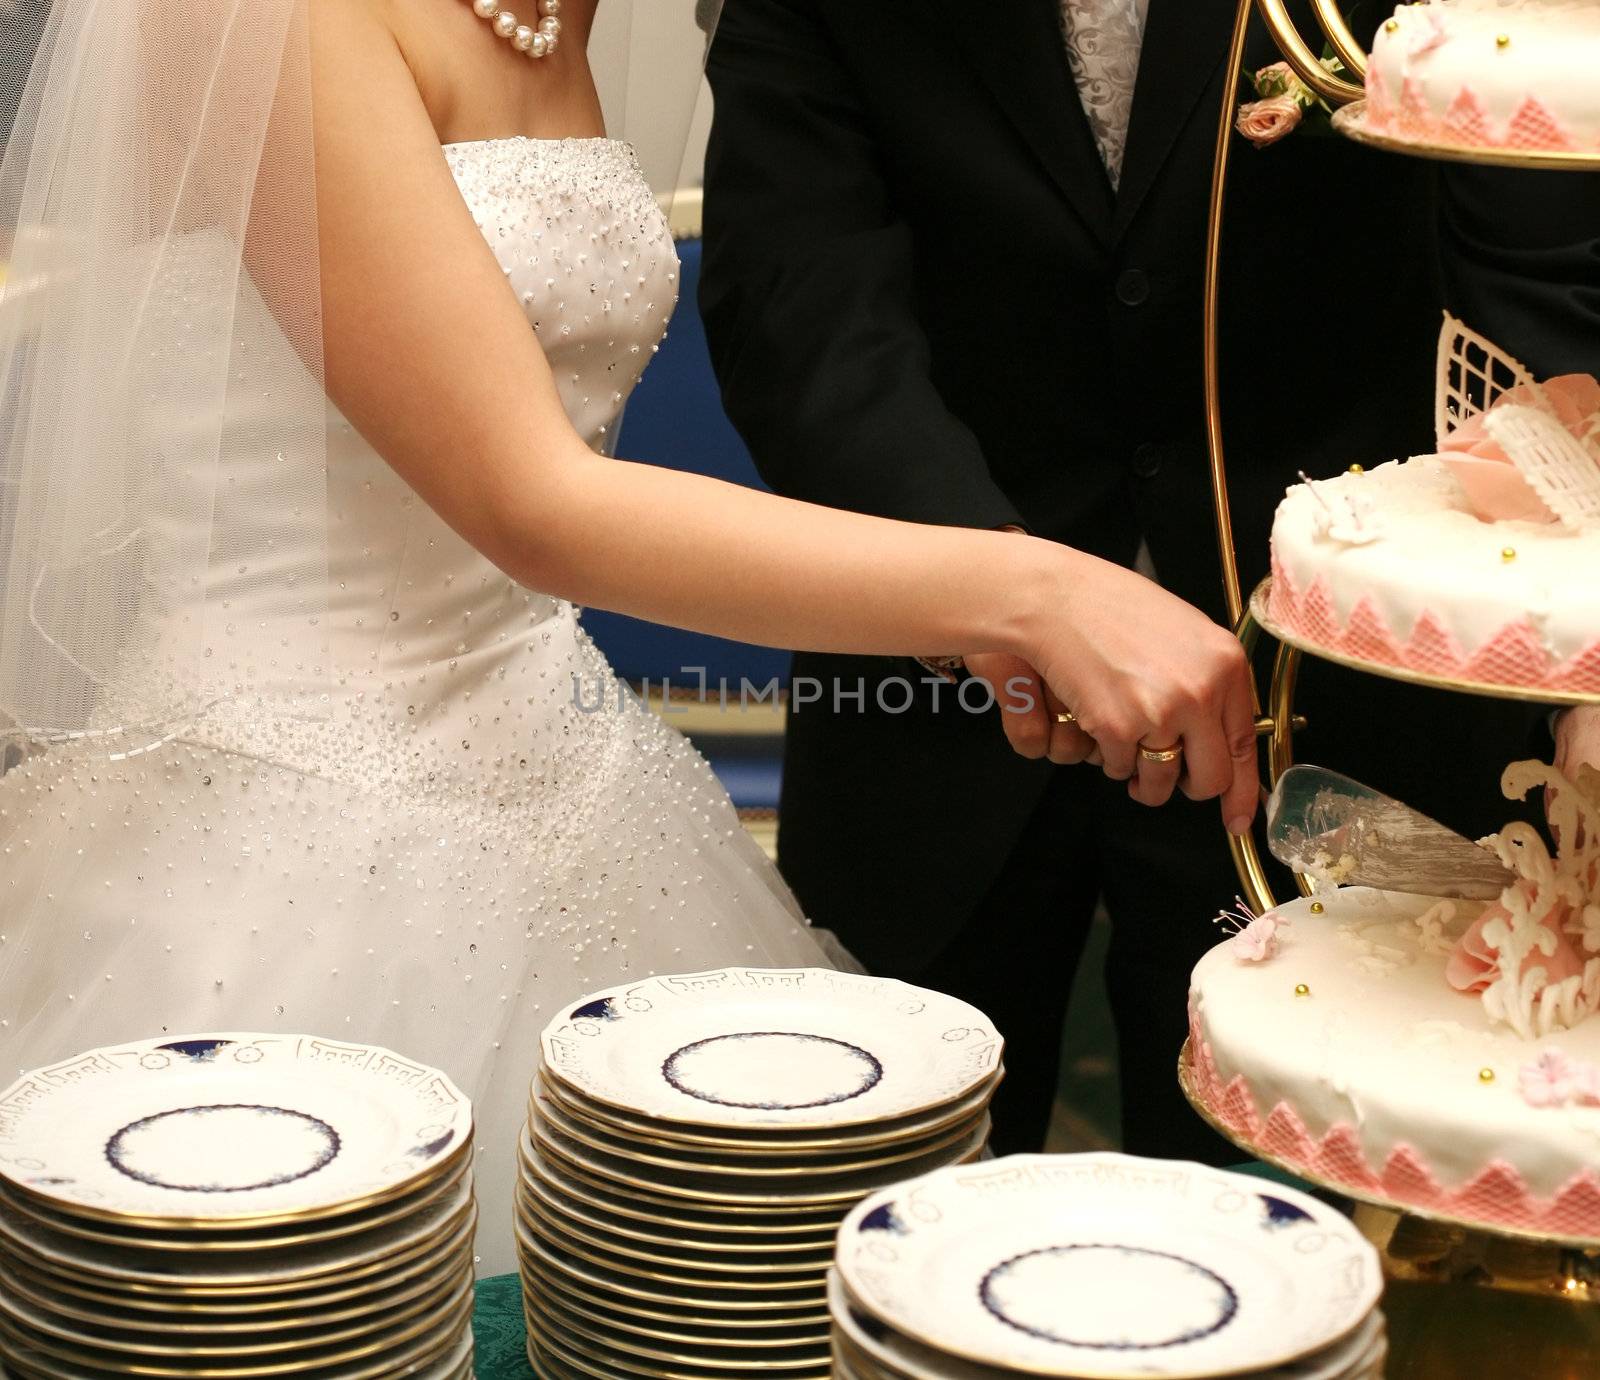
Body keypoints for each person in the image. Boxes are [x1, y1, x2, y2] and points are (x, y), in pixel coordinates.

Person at [0, 0, 1262, 1274]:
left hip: (556, 751)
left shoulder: (561, 12)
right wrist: (1032, 593)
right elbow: (534, 501)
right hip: (273, 834)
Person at [699, 0, 1585, 1158]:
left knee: (1299, 1235)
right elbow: (797, 305)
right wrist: (996, 594)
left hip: (1348, 708)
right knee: (877, 1209)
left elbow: (1545, 270)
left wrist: (1570, 636)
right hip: (932, 706)